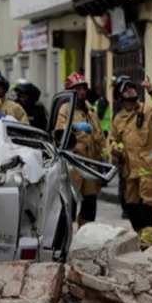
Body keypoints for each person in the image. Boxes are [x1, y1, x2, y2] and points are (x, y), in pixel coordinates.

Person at [109, 76, 152, 246]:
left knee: (149, 203)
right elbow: (113, 140)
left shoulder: (148, 111)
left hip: (149, 167)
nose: (131, 90)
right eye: (126, 88)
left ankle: (149, 239)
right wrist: (116, 147)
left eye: (132, 87)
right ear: (120, 96)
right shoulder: (118, 119)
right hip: (130, 170)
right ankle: (142, 234)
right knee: (131, 205)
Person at [55, 72, 105, 226]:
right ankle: (66, 238)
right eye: (77, 89)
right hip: (73, 165)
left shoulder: (91, 110)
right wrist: (75, 126)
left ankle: (84, 236)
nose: (82, 92)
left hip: (90, 165)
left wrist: (104, 157)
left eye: (83, 88)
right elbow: (60, 130)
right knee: (70, 204)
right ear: (70, 91)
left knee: (90, 204)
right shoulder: (65, 109)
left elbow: (99, 136)